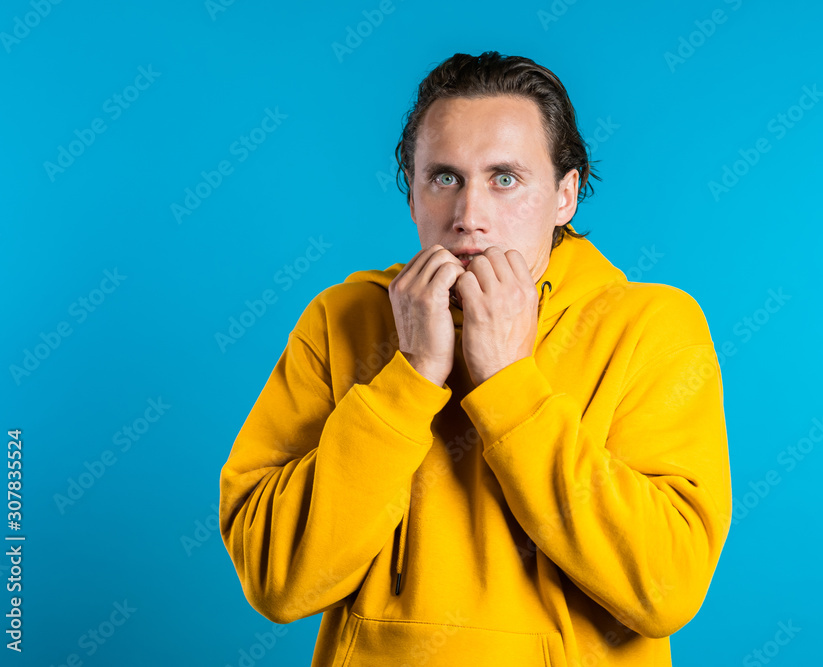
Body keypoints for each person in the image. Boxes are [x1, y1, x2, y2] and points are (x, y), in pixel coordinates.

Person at [219, 50, 732, 667]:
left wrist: (510, 385)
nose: (469, 218)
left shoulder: (653, 326)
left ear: (565, 195)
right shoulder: (342, 319)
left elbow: (664, 589)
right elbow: (280, 581)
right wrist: (407, 381)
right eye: (445, 178)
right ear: (412, 194)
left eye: (505, 178)